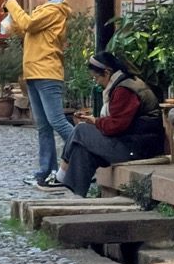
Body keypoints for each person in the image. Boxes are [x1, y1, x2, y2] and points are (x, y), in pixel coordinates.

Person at [59, 51, 165, 195]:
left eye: (96, 77)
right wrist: (95, 121)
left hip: (138, 148)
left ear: (107, 72)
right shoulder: (124, 84)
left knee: (80, 130)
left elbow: (116, 126)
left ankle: (61, 172)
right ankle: (74, 195)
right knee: (82, 149)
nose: (96, 81)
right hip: (131, 141)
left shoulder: (124, 90)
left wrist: (95, 122)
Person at [3, 0, 72, 189]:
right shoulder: (44, 11)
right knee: (43, 126)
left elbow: (30, 24)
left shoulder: (54, 10)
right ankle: (46, 172)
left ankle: (86, 148)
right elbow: (28, 28)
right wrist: (11, 21)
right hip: (34, 72)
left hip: (47, 72)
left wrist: (13, 5)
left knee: (57, 121)